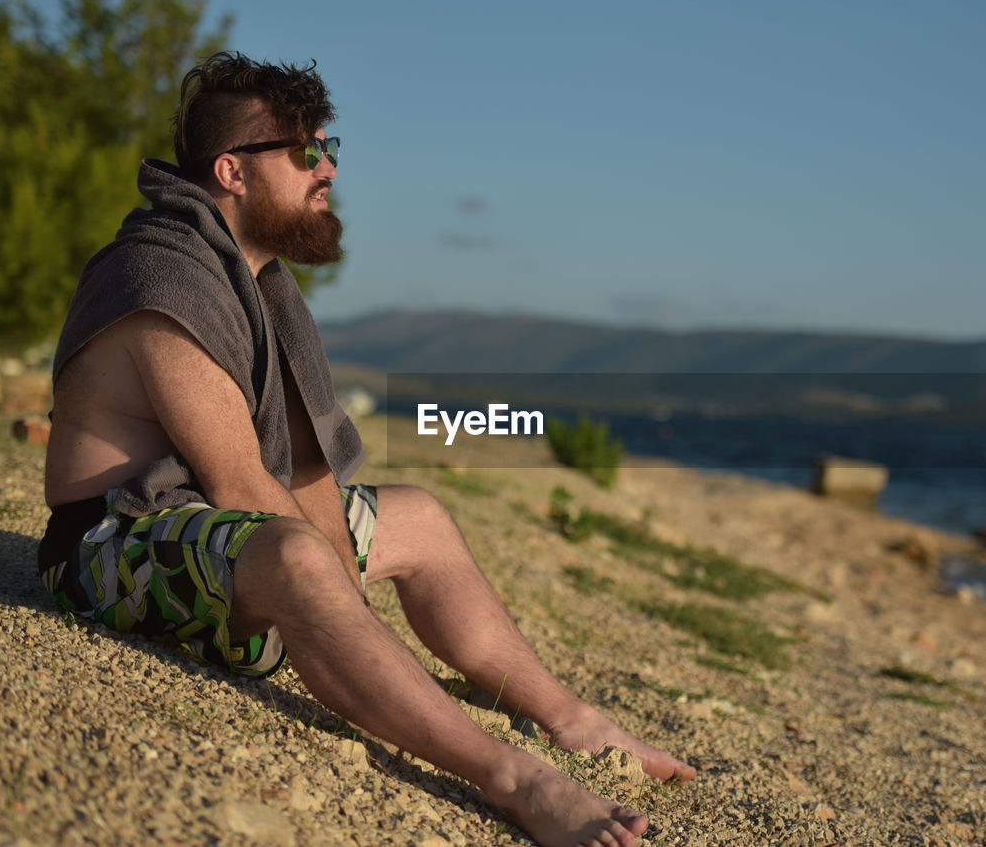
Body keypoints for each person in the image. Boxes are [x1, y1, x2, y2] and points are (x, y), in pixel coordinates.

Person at [37, 51, 694, 847]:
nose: (329, 171)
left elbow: (305, 467)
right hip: (109, 544)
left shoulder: (257, 280)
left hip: (204, 526)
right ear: (231, 172)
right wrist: (342, 604)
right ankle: (517, 779)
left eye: (331, 149)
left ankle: (571, 719)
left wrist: (344, 595)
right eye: (307, 152)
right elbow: (243, 485)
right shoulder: (163, 277)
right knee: (298, 558)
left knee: (418, 519)